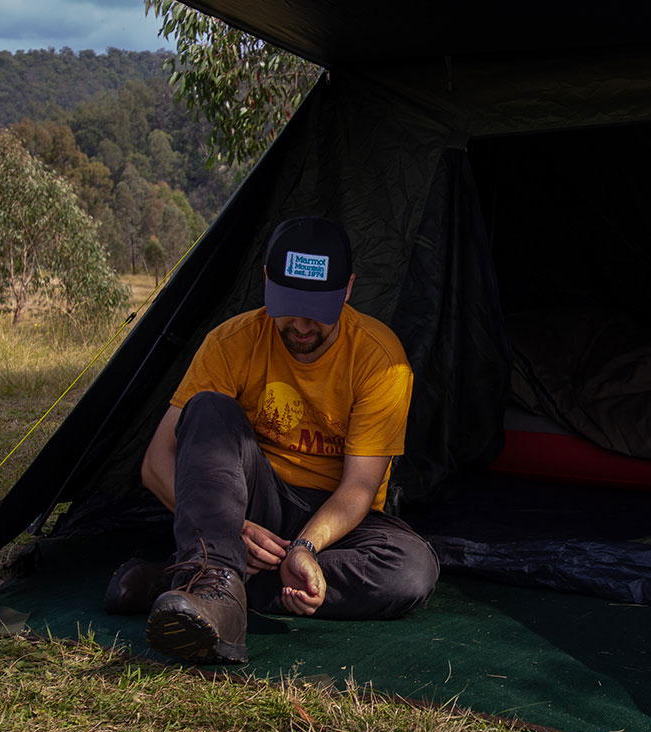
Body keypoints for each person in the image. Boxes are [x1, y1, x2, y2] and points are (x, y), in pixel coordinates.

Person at [118, 215, 439, 665]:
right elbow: (156, 462)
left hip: (334, 520)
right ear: (266, 281)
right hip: (254, 498)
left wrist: (306, 548)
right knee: (208, 407)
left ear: (347, 290)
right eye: (288, 304)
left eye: (319, 309)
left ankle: (191, 582)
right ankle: (216, 583)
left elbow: (359, 489)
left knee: (411, 570)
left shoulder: (381, 360)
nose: (302, 324)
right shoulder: (231, 341)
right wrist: (235, 529)